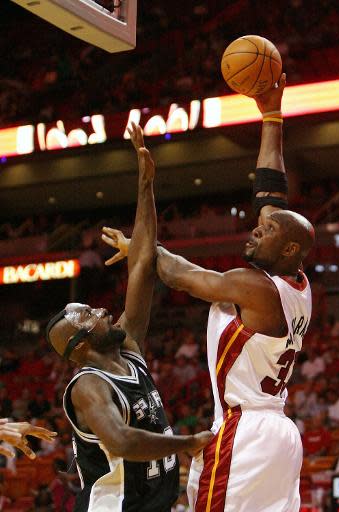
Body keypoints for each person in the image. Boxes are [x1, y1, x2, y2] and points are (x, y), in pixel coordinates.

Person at [103, 74, 315, 512]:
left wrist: (142, 245)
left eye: (268, 230)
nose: (258, 227)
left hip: (246, 433)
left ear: (289, 247)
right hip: (279, 434)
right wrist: (271, 115)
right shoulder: (296, 281)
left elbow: (178, 274)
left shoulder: (252, 285)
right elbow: (271, 191)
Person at [46, 123, 212, 512]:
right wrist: (187, 444)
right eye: (89, 315)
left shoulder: (129, 349)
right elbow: (121, 440)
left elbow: (141, 263)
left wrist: (145, 184)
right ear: (80, 344)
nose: (102, 311)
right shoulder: (88, 386)